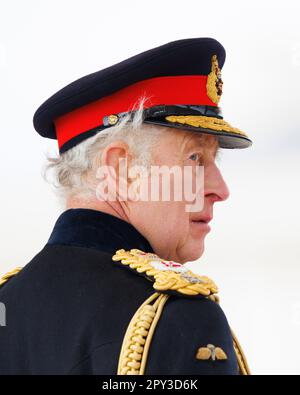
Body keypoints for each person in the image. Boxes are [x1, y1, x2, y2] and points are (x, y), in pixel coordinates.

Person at [0, 37, 252, 375]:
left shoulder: (8, 305)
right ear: (121, 169)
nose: (220, 190)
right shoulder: (176, 319)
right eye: (195, 158)